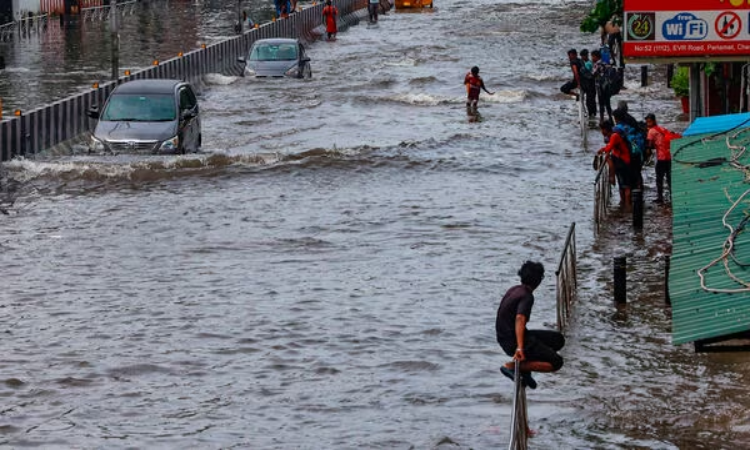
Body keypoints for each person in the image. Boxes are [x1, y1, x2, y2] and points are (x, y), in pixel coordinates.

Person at [497, 261, 565, 391]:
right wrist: (520, 348)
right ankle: (512, 366)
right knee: (557, 362)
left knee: (558, 340)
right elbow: (520, 319)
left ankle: (525, 369)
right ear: (539, 280)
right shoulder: (527, 296)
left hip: (506, 337)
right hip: (513, 341)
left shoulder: (515, 289)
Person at [597, 119, 632, 210]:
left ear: (606, 129)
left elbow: (609, 147)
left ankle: (627, 206)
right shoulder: (612, 136)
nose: (601, 132)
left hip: (624, 162)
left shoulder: (614, 136)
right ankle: (622, 204)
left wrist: (602, 150)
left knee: (626, 186)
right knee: (621, 185)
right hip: (620, 162)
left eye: (602, 129)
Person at [645, 113, 673, 204]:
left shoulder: (651, 131)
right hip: (669, 156)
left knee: (659, 178)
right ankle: (672, 196)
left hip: (661, 158)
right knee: (669, 178)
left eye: (648, 121)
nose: (647, 123)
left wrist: (646, 158)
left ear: (653, 121)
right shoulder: (662, 128)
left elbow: (649, 147)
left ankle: (660, 198)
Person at [591, 49, 612, 123]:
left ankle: (602, 119)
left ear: (595, 56)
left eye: (592, 57)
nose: (592, 59)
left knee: (601, 103)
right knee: (608, 103)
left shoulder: (597, 64)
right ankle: (610, 118)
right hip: (607, 85)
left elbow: (593, 74)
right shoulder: (605, 63)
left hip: (600, 87)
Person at [579, 49, 597, 120]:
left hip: (590, 84)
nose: (582, 57)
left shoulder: (588, 64)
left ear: (585, 55)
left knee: (590, 100)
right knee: (591, 100)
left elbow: (587, 74)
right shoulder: (589, 63)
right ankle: (592, 114)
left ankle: (591, 114)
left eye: (583, 56)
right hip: (590, 84)